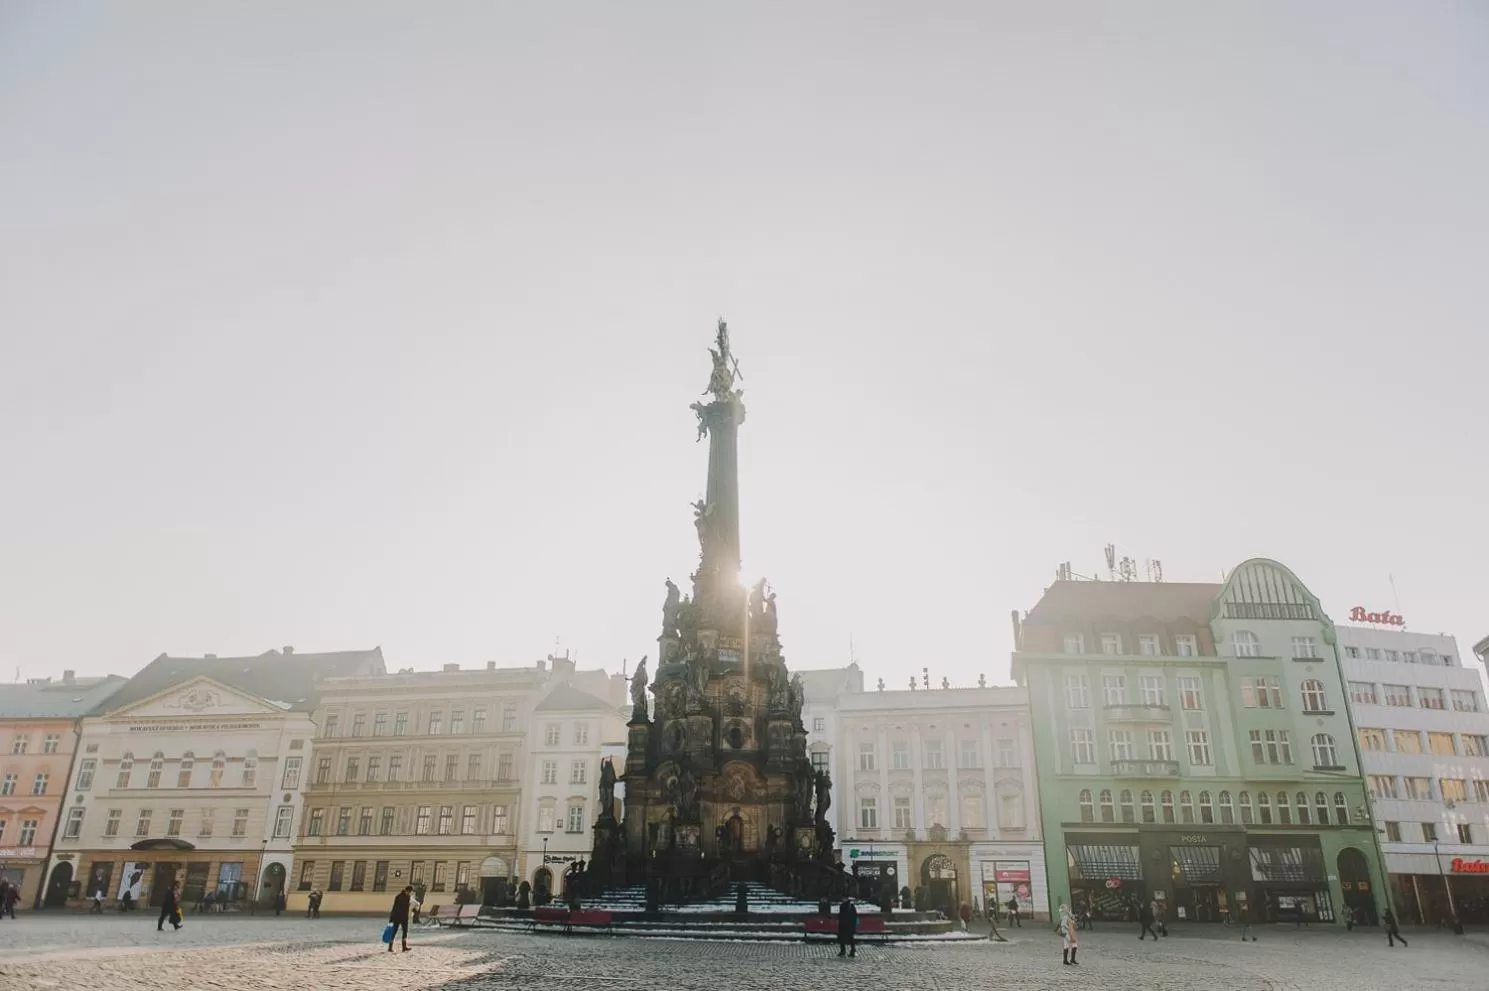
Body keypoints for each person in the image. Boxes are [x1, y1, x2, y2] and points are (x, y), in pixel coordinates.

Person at [388, 885, 413, 953]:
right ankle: (390, 947)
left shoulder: (408, 897)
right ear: (406, 890)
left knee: (405, 931)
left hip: (404, 917)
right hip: (397, 917)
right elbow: (395, 907)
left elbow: (406, 907)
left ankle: (404, 947)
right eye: (409, 892)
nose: (409, 893)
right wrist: (392, 918)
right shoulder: (398, 897)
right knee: (394, 932)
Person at [1059, 900, 1079, 966]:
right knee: (1074, 945)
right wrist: (1069, 931)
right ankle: (1071, 960)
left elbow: (1072, 919)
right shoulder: (1065, 917)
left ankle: (1065, 960)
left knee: (1066, 946)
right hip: (1067, 933)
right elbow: (1064, 925)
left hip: (1066, 933)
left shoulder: (1066, 916)